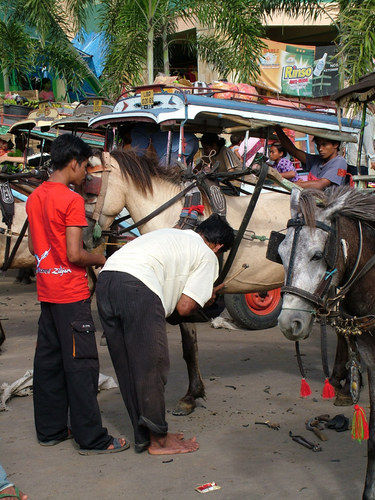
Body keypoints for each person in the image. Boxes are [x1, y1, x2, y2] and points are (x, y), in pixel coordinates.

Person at [95, 211, 235, 455]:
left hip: (107, 281)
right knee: (153, 366)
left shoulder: (172, 235)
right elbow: (184, 307)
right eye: (221, 252)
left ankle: (145, 435)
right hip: (138, 288)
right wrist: (207, 295)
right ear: (219, 245)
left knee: (127, 366)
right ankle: (158, 441)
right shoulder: (207, 255)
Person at [26, 134, 129, 455]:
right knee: (82, 366)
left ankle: (51, 430)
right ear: (73, 163)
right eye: (85, 167)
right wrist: (101, 258)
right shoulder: (70, 200)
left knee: (49, 364)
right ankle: (92, 438)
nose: (86, 173)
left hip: (47, 292)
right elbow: (74, 254)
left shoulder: (35, 197)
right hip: (71, 294)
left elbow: (32, 247)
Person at [274, 124, 347, 189]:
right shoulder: (317, 160)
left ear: (335, 145)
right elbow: (294, 151)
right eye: (318, 145)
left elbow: (320, 184)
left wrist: (292, 184)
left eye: (324, 145)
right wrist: (277, 129)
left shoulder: (340, 162)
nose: (320, 149)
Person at [346, 103, 375, 176]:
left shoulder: (355, 115)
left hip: (351, 159)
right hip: (359, 162)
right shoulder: (367, 116)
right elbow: (367, 139)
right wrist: (373, 159)